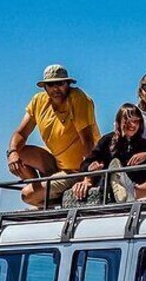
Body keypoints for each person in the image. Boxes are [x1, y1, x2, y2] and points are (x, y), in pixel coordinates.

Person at [7, 64, 100, 206]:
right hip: (56, 165)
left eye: (60, 83)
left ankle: (44, 197)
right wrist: (12, 153)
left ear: (68, 84)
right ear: (45, 87)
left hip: (76, 170)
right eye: (51, 84)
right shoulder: (38, 101)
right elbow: (21, 133)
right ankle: (44, 193)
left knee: (27, 196)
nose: (56, 88)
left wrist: (87, 179)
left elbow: (87, 141)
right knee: (19, 152)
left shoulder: (77, 98)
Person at [71, 103, 146, 202]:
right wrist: (92, 166)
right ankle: (119, 185)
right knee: (114, 166)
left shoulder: (142, 143)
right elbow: (86, 164)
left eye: (136, 121)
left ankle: (131, 193)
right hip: (110, 189)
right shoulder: (107, 140)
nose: (132, 125)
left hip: (138, 186)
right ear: (119, 121)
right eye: (127, 121)